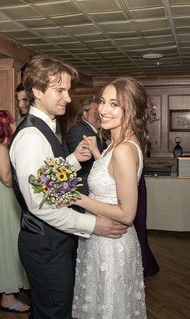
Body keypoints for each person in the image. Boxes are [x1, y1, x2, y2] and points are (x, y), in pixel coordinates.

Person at [9, 55, 127, 319]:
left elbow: (47, 180)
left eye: (68, 90)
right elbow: (41, 206)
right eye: (59, 90)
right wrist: (93, 224)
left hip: (53, 242)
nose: (68, 97)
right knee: (54, 312)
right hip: (44, 244)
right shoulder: (30, 137)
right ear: (37, 91)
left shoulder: (46, 127)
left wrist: (73, 159)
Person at [71, 77, 148, 318]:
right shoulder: (118, 143)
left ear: (131, 109)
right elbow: (111, 180)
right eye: (103, 101)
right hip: (101, 239)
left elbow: (127, 213)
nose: (104, 109)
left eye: (114, 104)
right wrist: (97, 154)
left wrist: (76, 198)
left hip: (111, 244)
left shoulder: (123, 149)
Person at [0, 110, 29, 314]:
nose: (13, 126)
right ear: (5, 126)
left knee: (7, 243)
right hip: (2, 200)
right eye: (11, 123)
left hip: (1, 198)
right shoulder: (1, 149)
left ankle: (9, 293)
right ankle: (8, 298)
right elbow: (8, 180)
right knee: (6, 247)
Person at [66, 98, 107, 200]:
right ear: (85, 114)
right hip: (83, 188)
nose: (99, 116)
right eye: (96, 113)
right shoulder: (77, 130)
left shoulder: (97, 133)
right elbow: (85, 158)